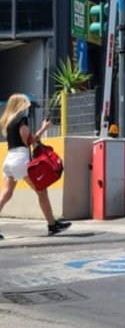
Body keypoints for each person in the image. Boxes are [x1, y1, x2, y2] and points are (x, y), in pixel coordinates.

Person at [0, 93, 71, 240]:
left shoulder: (8, 121)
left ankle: (53, 224)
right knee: (41, 191)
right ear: (21, 105)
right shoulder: (22, 118)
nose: (28, 107)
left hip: (9, 159)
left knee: (6, 193)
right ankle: (52, 225)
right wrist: (44, 128)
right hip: (21, 159)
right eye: (26, 104)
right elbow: (29, 140)